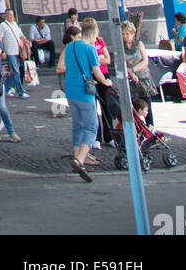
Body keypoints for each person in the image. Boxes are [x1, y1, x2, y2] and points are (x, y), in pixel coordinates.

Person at [64, 16, 114, 182]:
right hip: (84, 91)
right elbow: (97, 72)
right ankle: (80, 160)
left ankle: (77, 156)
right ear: (92, 34)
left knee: (77, 125)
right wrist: (106, 81)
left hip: (70, 90)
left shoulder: (70, 46)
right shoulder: (91, 49)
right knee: (92, 127)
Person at [122, 20, 155, 126]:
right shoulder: (121, 47)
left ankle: (151, 129)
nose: (125, 36)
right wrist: (131, 73)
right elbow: (121, 64)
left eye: (127, 34)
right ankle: (138, 131)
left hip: (143, 79)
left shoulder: (139, 44)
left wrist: (134, 70)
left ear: (132, 33)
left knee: (146, 106)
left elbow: (145, 61)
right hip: (131, 81)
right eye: (123, 34)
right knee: (134, 108)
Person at [0, 8, 30, 99]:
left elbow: (21, 36)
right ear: (5, 16)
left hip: (16, 51)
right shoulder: (3, 25)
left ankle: (6, 89)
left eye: (12, 15)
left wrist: (27, 41)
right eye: (8, 15)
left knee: (14, 72)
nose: (10, 16)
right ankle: (20, 92)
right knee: (16, 71)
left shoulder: (15, 24)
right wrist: (2, 51)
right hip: (9, 52)